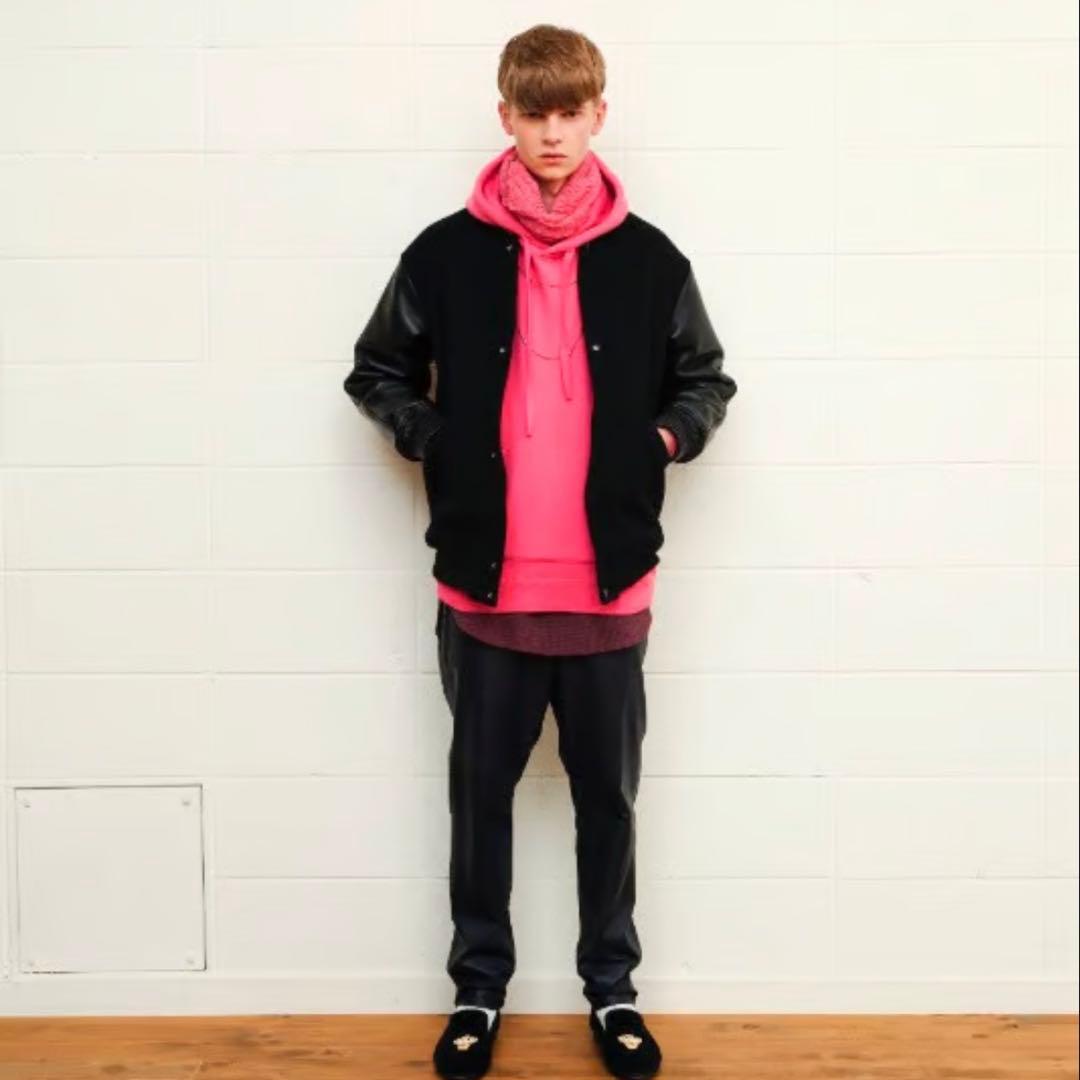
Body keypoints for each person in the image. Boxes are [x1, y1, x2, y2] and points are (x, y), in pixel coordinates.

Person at [344, 23, 736, 1080]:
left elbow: (706, 380)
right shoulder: (444, 254)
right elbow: (377, 369)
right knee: (480, 803)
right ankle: (478, 990)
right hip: (486, 590)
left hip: (610, 588)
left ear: (599, 115)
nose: (553, 132)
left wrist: (661, 440)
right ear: (506, 116)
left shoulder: (651, 260)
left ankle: (613, 991)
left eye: (571, 112)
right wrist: (436, 439)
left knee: (609, 803)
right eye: (534, 112)